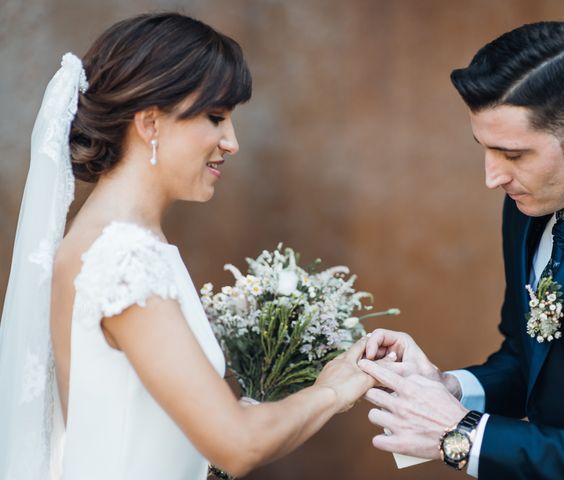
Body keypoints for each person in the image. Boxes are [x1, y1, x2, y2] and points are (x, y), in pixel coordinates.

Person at [0, 13, 373, 480]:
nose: (231, 142)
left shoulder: (101, 245)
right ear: (151, 122)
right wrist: (333, 391)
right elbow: (238, 443)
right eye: (216, 117)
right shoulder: (122, 260)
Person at [358, 21, 564, 478]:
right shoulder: (530, 200)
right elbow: (526, 358)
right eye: (484, 149)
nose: (493, 177)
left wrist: (463, 436)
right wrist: (447, 388)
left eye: (513, 154)